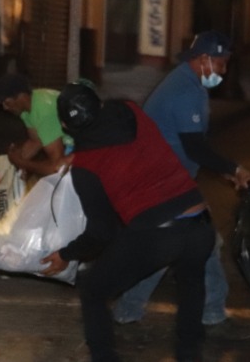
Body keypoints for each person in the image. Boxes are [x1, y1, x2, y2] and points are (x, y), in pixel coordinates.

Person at [40, 82, 215, 362]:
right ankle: (189, 355)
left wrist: (66, 254)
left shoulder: (85, 167)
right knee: (191, 282)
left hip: (157, 235)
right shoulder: (131, 110)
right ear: (99, 104)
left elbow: (101, 232)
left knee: (94, 291)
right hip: (200, 222)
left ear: (64, 126)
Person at [112, 30, 250, 337]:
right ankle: (209, 310)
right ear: (203, 59)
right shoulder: (184, 91)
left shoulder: (188, 82)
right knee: (199, 242)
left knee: (181, 244)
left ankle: (130, 308)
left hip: (165, 179)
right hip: (161, 181)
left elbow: (192, 145)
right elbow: (194, 147)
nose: (223, 71)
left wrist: (223, 171)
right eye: (221, 63)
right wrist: (234, 168)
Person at [0, 72, 73, 175]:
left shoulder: (44, 112)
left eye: (7, 102)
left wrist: (22, 163)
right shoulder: (30, 105)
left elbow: (56, 167)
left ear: (21, 96)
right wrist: (14, 158)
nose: (5, 108)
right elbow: (36, 141)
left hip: (86, 147)